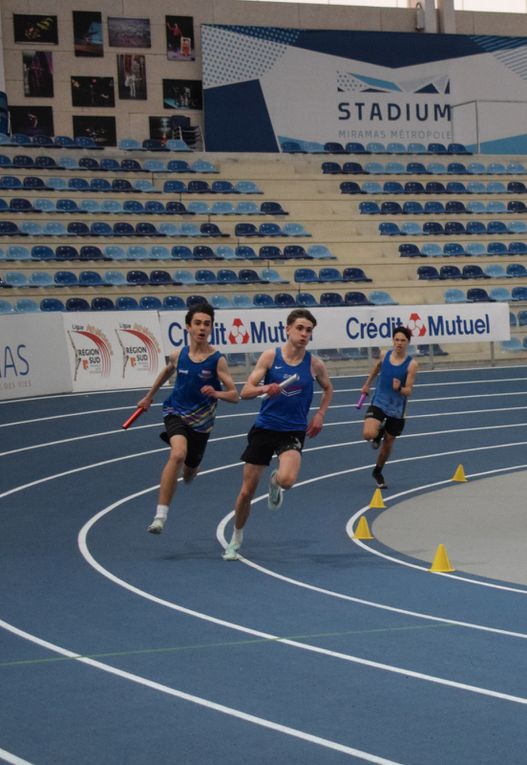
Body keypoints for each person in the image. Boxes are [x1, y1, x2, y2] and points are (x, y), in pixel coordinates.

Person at [223, 308, 333, 561]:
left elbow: (329, 389)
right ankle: (236, 538)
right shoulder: (270, 357)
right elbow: (246, 392)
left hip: (292, 430)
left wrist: (320, 415)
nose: (304, 334)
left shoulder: (314, 364)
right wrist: (266, 387)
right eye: (300, 328)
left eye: (308, 330)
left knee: (288, 481)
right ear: (288, 329)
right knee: (246, 492)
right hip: (265, 428)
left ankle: (274, 483)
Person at [137, 303, 239, 535]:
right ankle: (160, 516)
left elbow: (235, 396)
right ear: (188, 326)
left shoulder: (217, 360)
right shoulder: (179, 355)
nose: (202, 328)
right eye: (198, 323)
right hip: (175, 411)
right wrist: (149, 397)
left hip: (202, 424)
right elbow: (167, 370)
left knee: (190, 472)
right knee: (177, 454)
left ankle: (193, 468)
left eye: (207, 324)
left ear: (211, 328)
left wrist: (217, 393)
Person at [361, 326, 418, 490]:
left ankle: (377, 472)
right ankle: (378, 432)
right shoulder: (385, 354)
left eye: (403, 340)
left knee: (388, 445)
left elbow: (409, 391)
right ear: (393, 340)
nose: (399, 343)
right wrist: (367, 384)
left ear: (408, 343)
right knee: (368, 434)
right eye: (397, 339)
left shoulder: (411, 364)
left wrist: (399, 388)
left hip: (397, 409)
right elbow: (377, 368)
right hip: (379, 401)